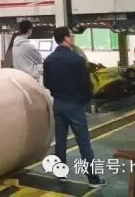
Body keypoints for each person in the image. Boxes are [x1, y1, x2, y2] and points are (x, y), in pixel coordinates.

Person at [43, 26, 105, 187]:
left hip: (58, 104)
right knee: (84, 142)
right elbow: (86, 84)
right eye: (72, 35)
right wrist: (85, 100)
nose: (74, 38)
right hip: (74, 104)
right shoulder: (76, 59)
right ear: (66, 38)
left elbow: (46, 83)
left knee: (60, 141)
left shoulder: (49, 60)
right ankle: (93, 178)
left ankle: (60, 174)